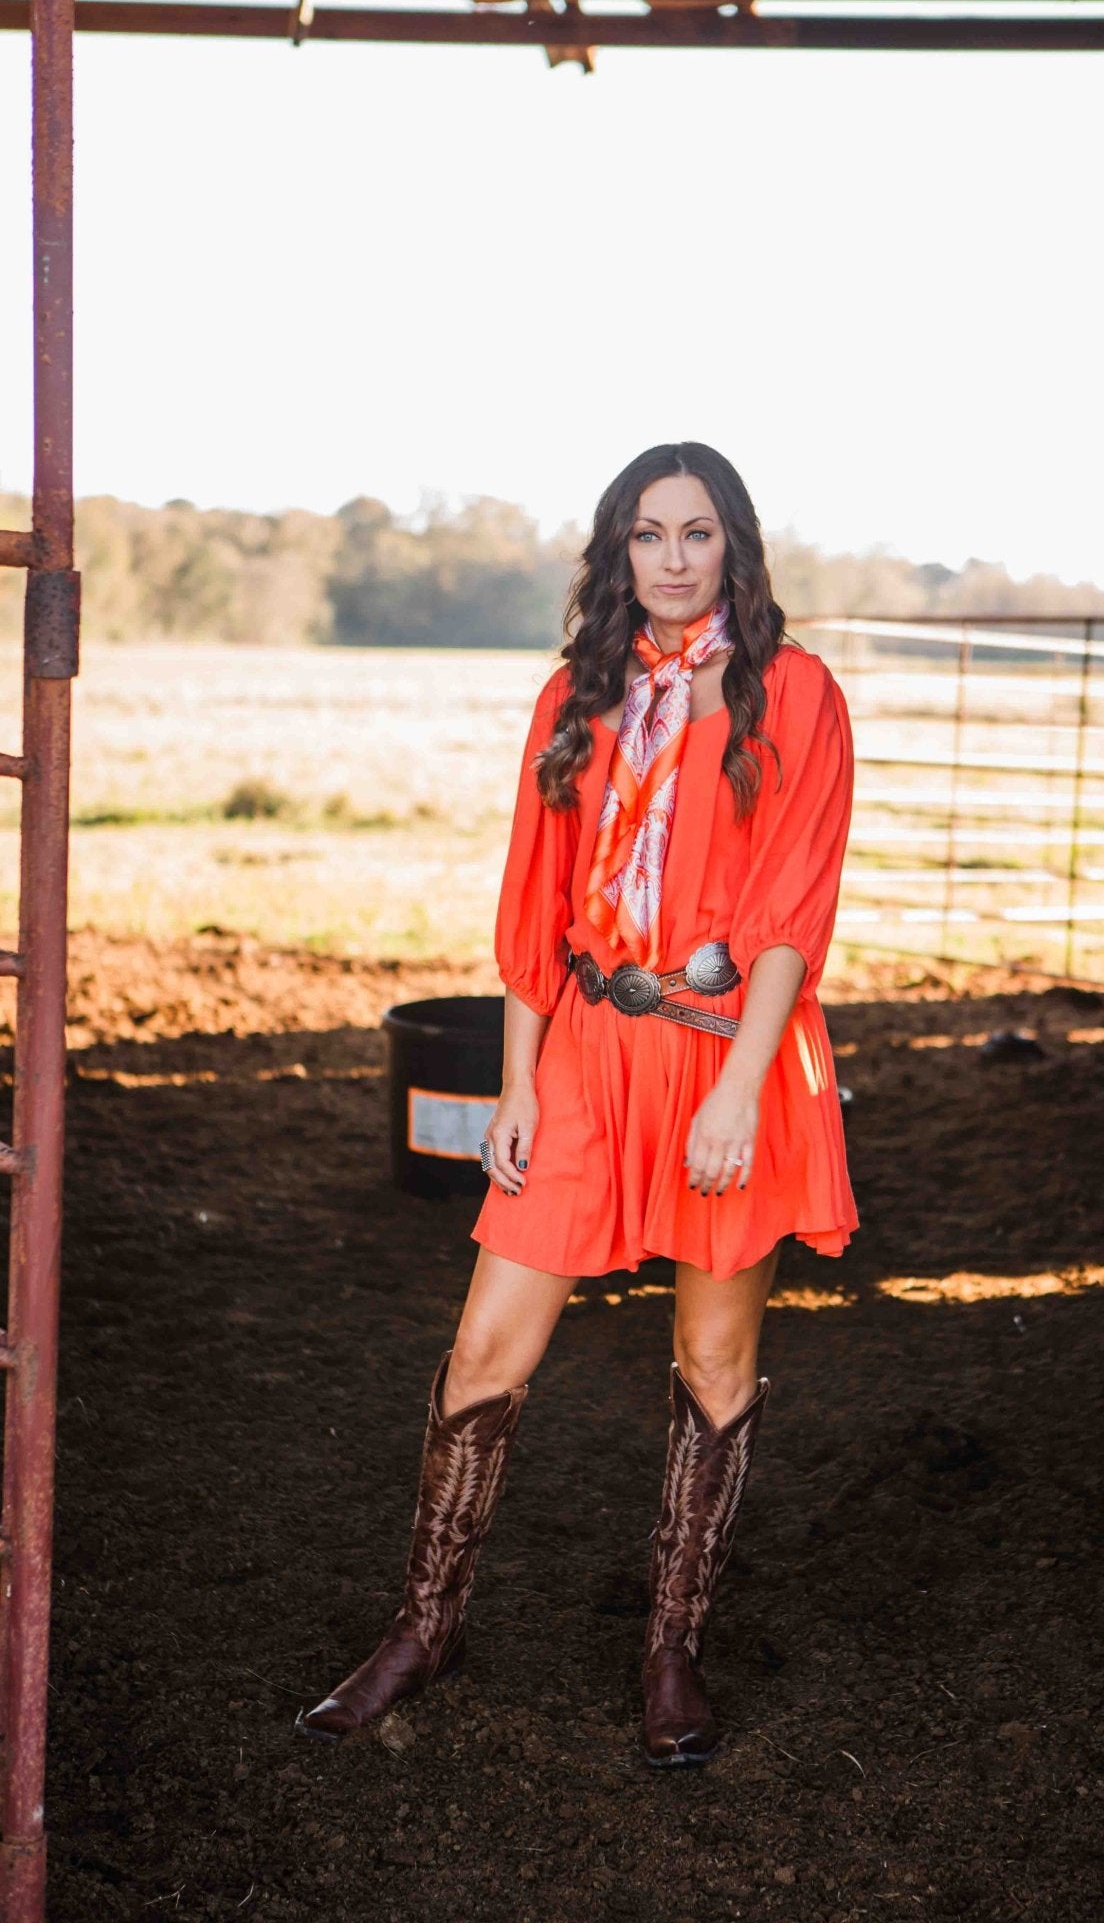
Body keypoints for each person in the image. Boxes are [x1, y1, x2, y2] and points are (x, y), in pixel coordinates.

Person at [296, 440, 858, 1766]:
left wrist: (738, 1088)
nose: (673, 559)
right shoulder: (574, 695)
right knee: (486, 1344)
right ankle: (423, 1629)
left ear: (735, 546)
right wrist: (517, 1083)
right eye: (647, 535)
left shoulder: (796, 692)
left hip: (727, 1049)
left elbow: (791, 911)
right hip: (589, 1051)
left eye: (697, 533)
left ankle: (671, 1650)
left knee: (712, 1362)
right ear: (617, 554)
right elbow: (536, 903)